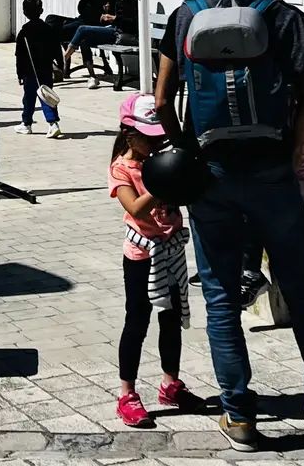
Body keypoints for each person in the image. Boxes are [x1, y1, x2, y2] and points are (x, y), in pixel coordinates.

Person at [153, 0, 304, 451]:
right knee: (300, 287)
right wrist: (293, 156)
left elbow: (159, 102)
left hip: (211, 176)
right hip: (271, 172)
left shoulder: (185, 15)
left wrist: (187, 150)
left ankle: (240, 414)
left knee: (221, 294)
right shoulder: (284, 17)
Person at [109, 93, 208, 428]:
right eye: (147, 139)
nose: (154, 145)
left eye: (158, 138)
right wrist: (163, 180)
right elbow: (134, 208)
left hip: (171, 249)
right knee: (137, 319)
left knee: (173, 318)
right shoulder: (122, 168)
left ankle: (170, 384)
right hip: (141, 254)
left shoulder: (161, 159)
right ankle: (127, 393)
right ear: (128, 134)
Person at [54, 0, 123, 80]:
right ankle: (58, 65)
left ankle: (59, 66)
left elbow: (103, 16)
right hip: (81, 21)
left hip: (91, 26)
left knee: (55, 33)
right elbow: (81, 9)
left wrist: (100, 16)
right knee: (52, 20)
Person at [14, 0, 61, 137]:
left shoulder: (24, 32)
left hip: (29, 71)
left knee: (29, 97)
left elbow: (19, 56)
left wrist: (19, 73)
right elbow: (56, 48)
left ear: (24, 12)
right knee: (46, 94)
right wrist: (60, 64)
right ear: (41, 11)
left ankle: (28, 123)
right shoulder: (48, 29)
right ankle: (51, 123)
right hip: (45, 68)